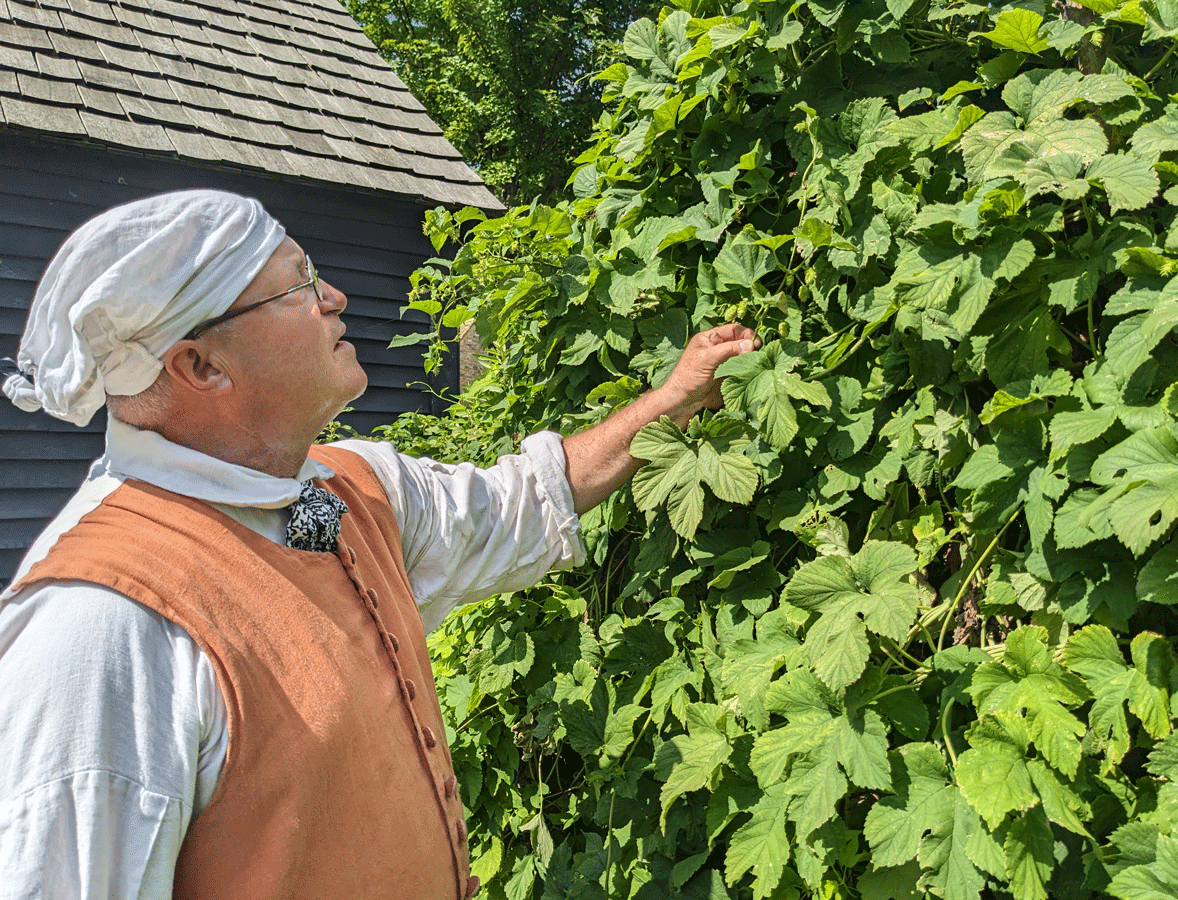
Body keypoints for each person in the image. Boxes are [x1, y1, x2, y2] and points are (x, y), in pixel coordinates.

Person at [0, 190, 758, 899]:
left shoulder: (324, 498)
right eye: (298, 287)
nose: (335, 299)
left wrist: (672, 400)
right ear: (202, 366)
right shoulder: (101, 627)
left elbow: (514, 504)